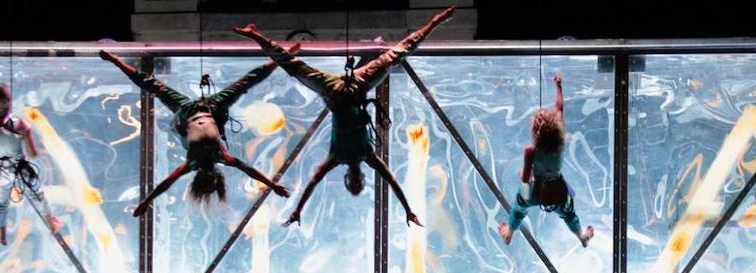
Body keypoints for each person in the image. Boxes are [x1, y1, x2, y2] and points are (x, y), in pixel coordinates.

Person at [233, 7, 455, 227]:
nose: (357, 180)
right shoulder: (368, 155)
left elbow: (312, 183)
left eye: (353, 183)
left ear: (347, 179)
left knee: (293, 66)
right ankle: (435, 22)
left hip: (333, 92)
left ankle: (255, 34)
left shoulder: (336, 157)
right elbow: (393, 182)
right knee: (396, 55)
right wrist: (408, 210)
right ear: (364, 179)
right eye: (360, 183)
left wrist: (298, 210)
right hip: (358, 87)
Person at [100, 50, 293, 216]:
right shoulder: (222, 157)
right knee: (244, 85)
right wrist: (273, 185)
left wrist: (146, 201)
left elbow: (166, 184)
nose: (209, 178)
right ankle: (280, 58)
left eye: (205, 182)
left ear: (199, 181)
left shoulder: (191, 164)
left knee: (151, 85)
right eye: (212, 182)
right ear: (217, 178)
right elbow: (249, 170)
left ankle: (115, 60)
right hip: (211, 109)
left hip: (187, 112)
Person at [497, 72, 594, 248]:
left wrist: (524, 175)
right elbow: (559, 108)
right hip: (558, 190)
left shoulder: (530, 151)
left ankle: (508, 233)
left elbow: (526, 180)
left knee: (519, 208)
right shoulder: (560, 143)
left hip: (536, 193)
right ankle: (581, 236)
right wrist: (559, 86)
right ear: (557, 130)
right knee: (569, 213)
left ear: (534, 132)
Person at [0, 56, 62, 245]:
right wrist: (29, 139)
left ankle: (4, 232)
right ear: (9, 101)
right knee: (36, 193)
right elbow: (33, 154)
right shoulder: (20, 124)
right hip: (16, 164)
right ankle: (50, 223)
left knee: (3, 202)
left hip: (2, 165)